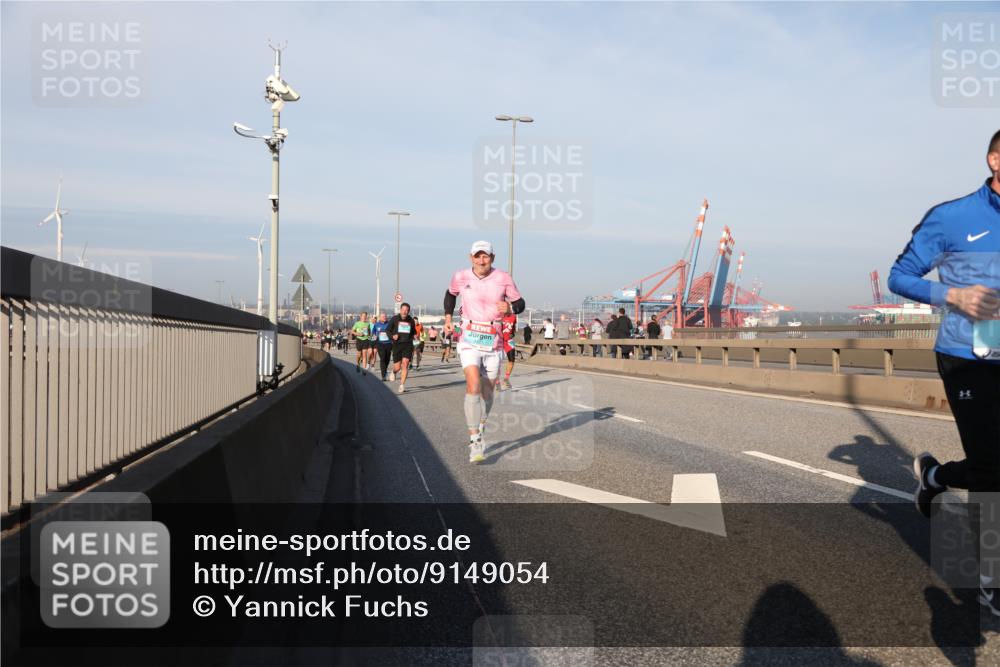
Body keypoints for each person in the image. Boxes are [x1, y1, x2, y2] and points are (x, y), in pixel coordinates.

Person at [889, 130, 1000, 614]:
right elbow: (899, 276)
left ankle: (935, 476)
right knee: (992, 467)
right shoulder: (952, 217)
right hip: (968, 356)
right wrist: (952, 295)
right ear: (995, 160)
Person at [444, 240, 524, 464]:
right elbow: (450, 294)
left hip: (493, 339)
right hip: (469, 337)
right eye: (477, 256)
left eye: (485, 256)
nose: (481, 260)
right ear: (471, 257)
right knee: (473, 385)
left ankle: (481, 425)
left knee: (487, 393)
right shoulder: (460, 276)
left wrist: (510, 307)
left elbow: (520, 303)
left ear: (492, 258)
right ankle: (474, 440)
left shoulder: (503, 278)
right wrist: (448, 318)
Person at [388, 303, 418, 393]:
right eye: (403, 310)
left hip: (408, 344)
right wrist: (393, 336)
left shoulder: (410, 320)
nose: (405, 312)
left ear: (408, 311)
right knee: (397, 367)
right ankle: (393, 372)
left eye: (407, 310)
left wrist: (415, 336)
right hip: (397, 344)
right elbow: (387, 330)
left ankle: (402, 385)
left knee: (405, 364)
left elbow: (413, 331)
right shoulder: (394, 319)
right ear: (400, 310)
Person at [498, 308, 518, 390]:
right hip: (499, 340)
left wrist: (512, 334)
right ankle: (496, 381)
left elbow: (513, 329)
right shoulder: (498, 316)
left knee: (512, 359)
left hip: (509, 341)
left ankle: (506, 379)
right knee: (496, 362)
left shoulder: (513, 317)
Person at [371, 313, 393, 381]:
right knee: (382, 358)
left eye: (385, 316)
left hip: (389, 343)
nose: (384, 317)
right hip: (380, 344)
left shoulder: (389, 324)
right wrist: (374, 338)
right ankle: (383, 375)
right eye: (383, 316)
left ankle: (385, 370)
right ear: (380, 318)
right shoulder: (376, 324)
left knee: (387, 359)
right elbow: (373, 332)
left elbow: (393, 331)